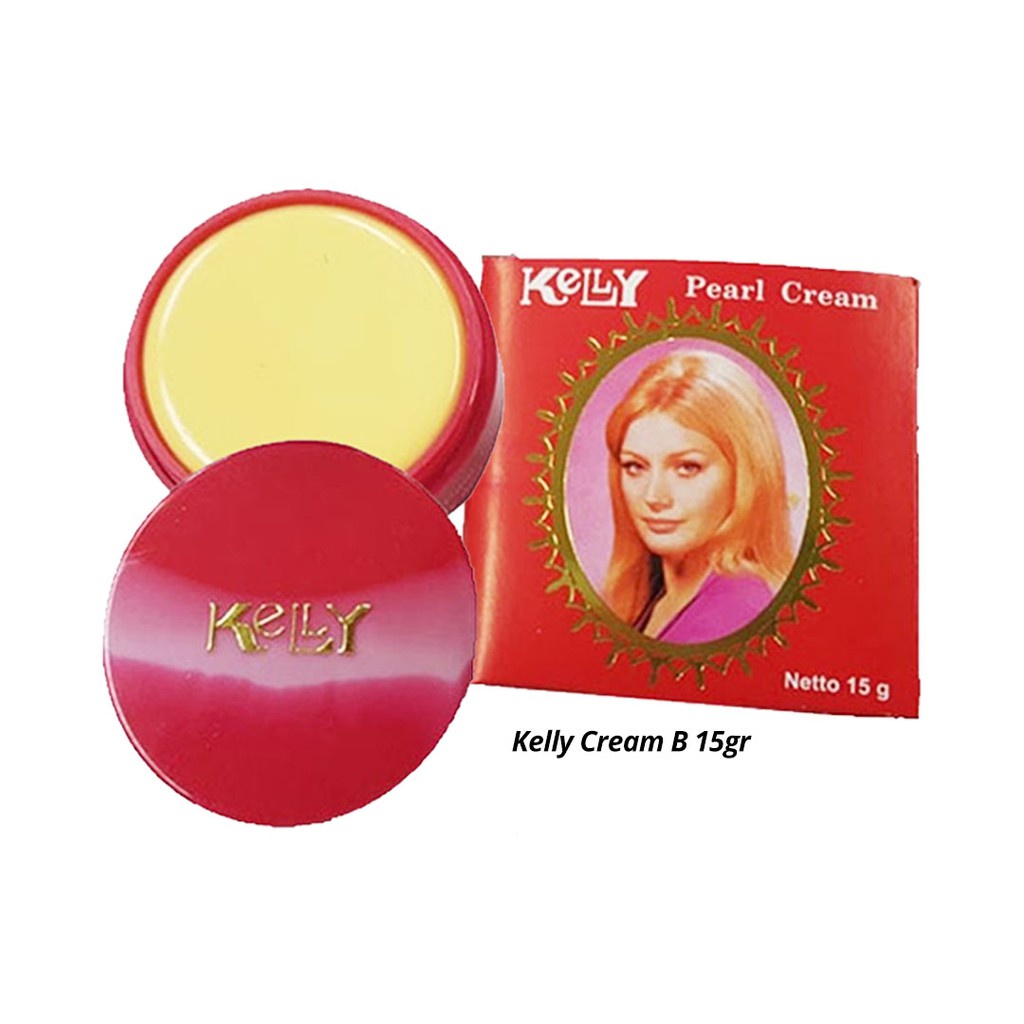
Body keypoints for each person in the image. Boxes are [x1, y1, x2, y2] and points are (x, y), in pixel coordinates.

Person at [603, 349, 795, 644]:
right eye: (635, 466)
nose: (654, 496)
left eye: (687, 467)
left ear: (745, 476)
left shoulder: (734, 612)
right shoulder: (654, 595)